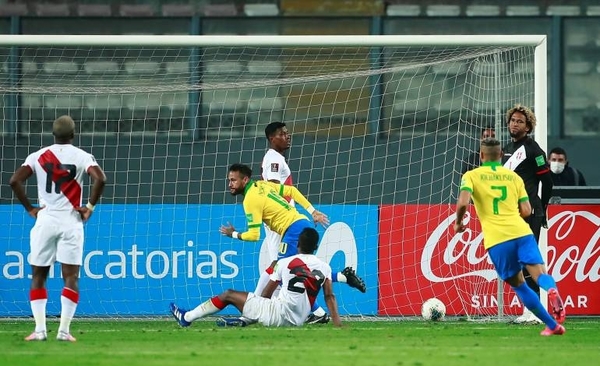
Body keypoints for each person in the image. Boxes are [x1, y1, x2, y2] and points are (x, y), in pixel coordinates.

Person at [217, 163, 365, 326]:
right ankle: (342, 280)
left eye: (233, 180)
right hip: (300, 223)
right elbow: (292, 191)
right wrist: (312, 211)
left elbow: (253, 235)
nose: (230, 184)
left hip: (293, 229)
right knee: (288, 270)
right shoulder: (263, 184)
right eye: (229, 180)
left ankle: (251, 315)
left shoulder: (251, 198)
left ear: (245, 180)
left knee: (280, 271)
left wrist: (233, 234)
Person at [9, 115, 106, 342]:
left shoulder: (38, 156)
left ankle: (40, 330)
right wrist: (89, 207)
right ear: (73, 135)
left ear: (53, 134)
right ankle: (64, 331)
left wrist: (30, 209)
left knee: (38, 275)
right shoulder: (83, 156)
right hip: (72, 221)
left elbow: (14, 181)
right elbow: (100, 179)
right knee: (70, 276)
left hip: (46, 220)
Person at [455, 137, 565, 336]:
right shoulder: (514, 177)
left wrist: (458, 222)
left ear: (481, 155)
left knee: (520, 285)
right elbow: (526, 210)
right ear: (500, 155)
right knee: (539, 274)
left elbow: (463, 203)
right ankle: (552, 294)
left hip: (497, 239)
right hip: (522, 232)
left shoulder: (471, 175)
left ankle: (552, 324)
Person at [258, 122, 363, 324]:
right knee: (283, 268)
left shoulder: (277, 159)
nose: (288, 137)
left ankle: (254, 311)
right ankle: (333, 289)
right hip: (280, 220)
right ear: (272, 138)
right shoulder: (274, 160)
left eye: (288, 133)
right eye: (282, 134)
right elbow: (274, 190)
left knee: (281, 268)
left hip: (281, 221)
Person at [169, 227, 343, 328]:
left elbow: (266, 294)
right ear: (316, 246)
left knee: (228, 294)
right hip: (298, 320)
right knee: (258, 304)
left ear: (297, 244)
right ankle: (245, 319)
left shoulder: (283, 263)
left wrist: (253, 309)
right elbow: (329, 296)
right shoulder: (325, 267)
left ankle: (187, 318)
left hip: (277, 315)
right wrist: (337, 323)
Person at [501, 104, 553, 324]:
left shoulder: (534, 150)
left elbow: (547, 180)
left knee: (528, 260)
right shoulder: (506, 149)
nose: (515, 123)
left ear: (528, 126)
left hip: (529, 212)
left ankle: (536, 311)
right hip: (511, 213)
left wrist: (541, 207)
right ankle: (529, 310)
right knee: (517, 262)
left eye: (520, 121)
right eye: (513, 120)